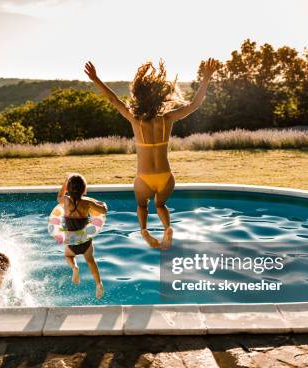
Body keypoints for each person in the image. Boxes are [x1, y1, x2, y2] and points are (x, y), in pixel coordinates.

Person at [85, 58, 218, 250]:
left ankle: (145, 231)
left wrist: (96, 79)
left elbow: (114, 100)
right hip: (166, 177)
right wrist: (206, 78)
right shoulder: (168, 118)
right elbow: (194, 105)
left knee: (142, 206)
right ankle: (167, 228)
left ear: (139, 96)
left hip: (144, 178)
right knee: (160, 205)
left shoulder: (135, 119)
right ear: (160, 97)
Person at [57, 174, 108, 299]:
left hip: (71, 240)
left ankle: (74, 267)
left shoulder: (66, 201)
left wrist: (65, 182)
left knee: (68, 255)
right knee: (90, 260)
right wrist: (103, 204)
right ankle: (98, 283)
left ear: (68, 188)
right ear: (84, 189)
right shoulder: (88, 202)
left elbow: (58, 196)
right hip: (85, 241)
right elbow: (103, 211)